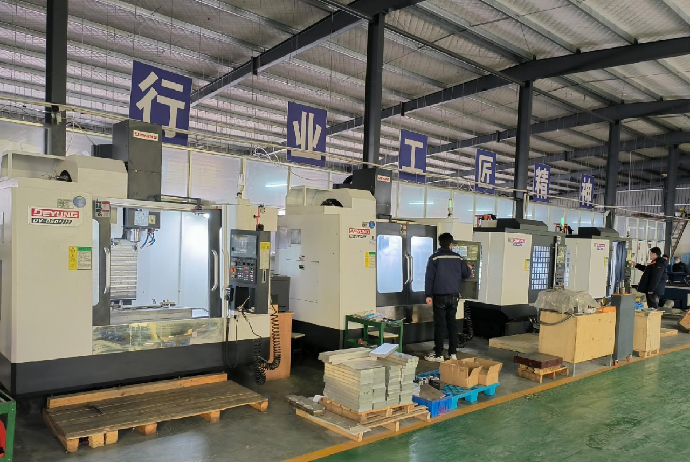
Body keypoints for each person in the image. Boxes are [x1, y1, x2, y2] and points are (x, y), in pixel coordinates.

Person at [424, 233, 473, 362]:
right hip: (454, 297)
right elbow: (466, 274)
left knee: (440, 325)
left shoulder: (434, 258)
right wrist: (469, 268)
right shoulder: (459, 258)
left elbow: (429, 277)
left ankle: (438, 354)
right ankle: (452, 353)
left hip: (439, 296)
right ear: (451, 244)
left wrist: (428, 295)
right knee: (452, 325)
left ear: (440, 243)